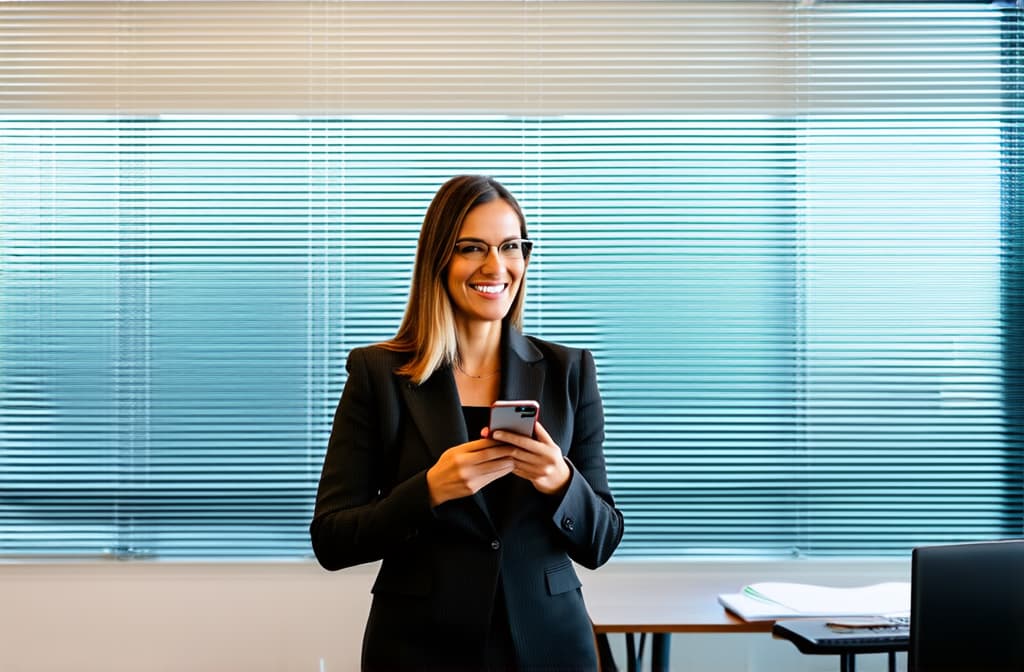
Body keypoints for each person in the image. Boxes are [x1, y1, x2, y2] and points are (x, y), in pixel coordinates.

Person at [310, 175, 624, 672]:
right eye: (472, 248)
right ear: (439, 257)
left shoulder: (570, 371)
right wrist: (429, 489)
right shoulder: (377, 375)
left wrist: (560, 481)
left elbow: (602, 539)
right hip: (418, 649)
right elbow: (331, 540)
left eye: (510, 246)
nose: (495, 266)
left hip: (551, 645)